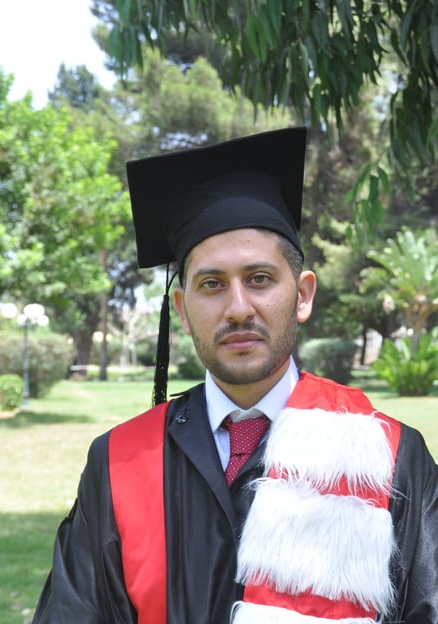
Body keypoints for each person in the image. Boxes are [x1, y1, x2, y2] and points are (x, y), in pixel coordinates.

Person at [32, 127, 438, 624]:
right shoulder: (117, 463)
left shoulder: (389, 456)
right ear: (182, 308)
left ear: (303, 294)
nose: (239, 308)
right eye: (211, 284)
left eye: (260, 279)